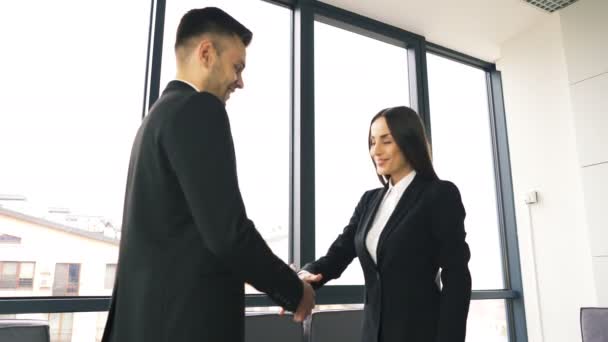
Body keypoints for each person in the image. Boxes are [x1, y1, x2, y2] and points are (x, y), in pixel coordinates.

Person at [101, 7, 314, 342]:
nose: (240, 81)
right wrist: (293, 290)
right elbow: (228, 234)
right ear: (206, 53)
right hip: (185, 327)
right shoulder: (199, 109)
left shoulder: (156, 118)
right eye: (237, 67)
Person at [298, 106, 471, 342]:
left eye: (386, 141)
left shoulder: (439, 194)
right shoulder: (369, 200)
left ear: (409, 142)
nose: (375, 151)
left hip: (422, 332)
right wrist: (306, 274)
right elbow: (340, 252)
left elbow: (457, 275)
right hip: (373, 333)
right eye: (372, 142)